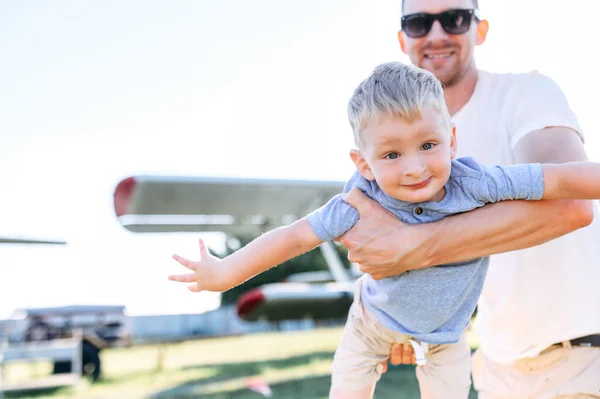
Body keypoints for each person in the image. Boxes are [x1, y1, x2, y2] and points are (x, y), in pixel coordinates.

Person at [168, 61, 600, 399]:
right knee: (348, 388)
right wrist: (226, 273)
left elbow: (560, 180)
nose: (414, 168)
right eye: (391, 154)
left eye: (428, 146)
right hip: (371, 324)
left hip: (446, 338)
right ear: (363, 163)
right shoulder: (359, 202)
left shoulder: (477, 183)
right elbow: (295, 237)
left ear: (452, 140)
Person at [339, 1, 600, 398]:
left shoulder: (526, 92)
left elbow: (573, 206)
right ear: (402, 38)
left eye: (455, 19)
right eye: (419, 22)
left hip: (580, 358)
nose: (437, 34)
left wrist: (414, 248)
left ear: (479, 30)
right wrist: (407, 317)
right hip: (496, 368)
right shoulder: (397, 151)